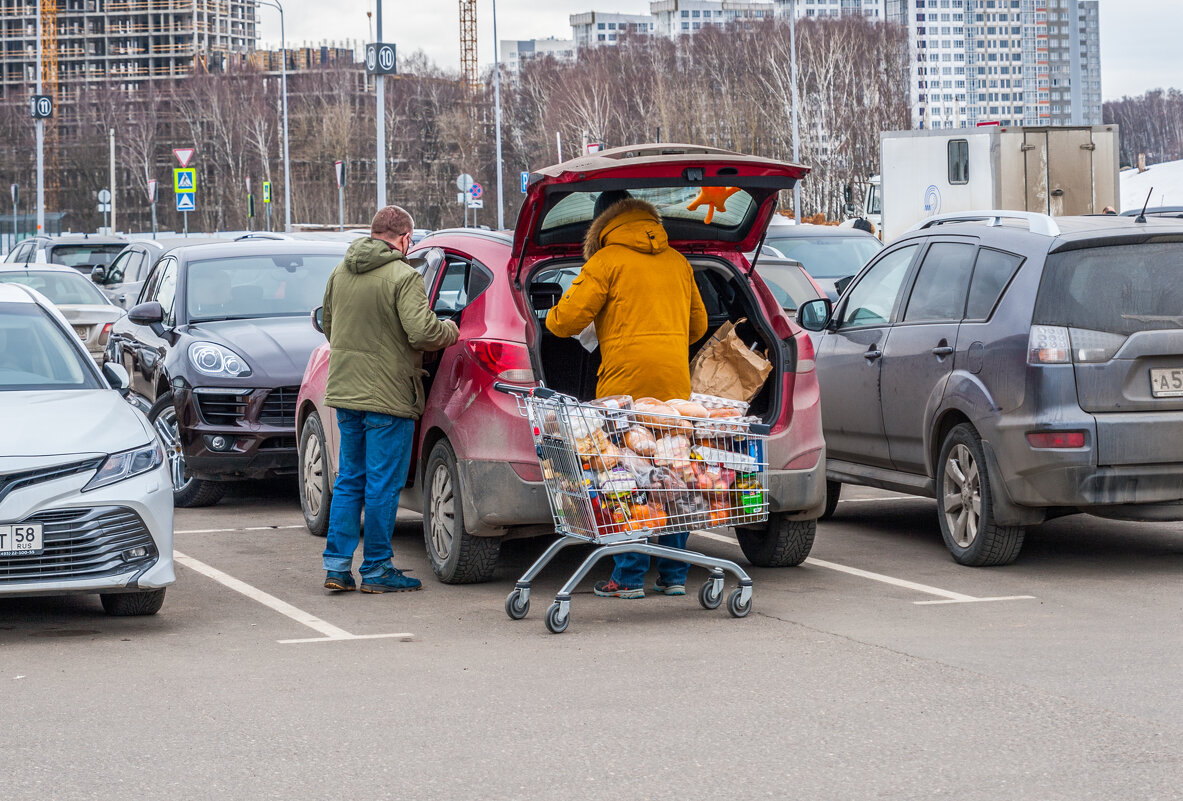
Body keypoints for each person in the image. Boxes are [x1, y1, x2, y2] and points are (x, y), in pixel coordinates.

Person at [546, 193, 708, 599]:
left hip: (624, 388)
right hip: (673, 389)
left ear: (601, 223)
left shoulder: (606, 261)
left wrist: (550, 316)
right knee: (674, 476)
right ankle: (673, 574)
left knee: (627, 478)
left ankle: (629, 576)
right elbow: (698, 327)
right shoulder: (677, 261)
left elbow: (565, 322)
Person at [320, 205, 459, 593]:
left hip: (346, 392)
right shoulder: (404, 276)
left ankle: (337, 568)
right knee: (382, 484)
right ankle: (378, 569)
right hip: (388, 396)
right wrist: (450, 329)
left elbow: (329, 325)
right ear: (404, 239)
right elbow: (422, 333)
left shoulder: (340, 271)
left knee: (349, 479)